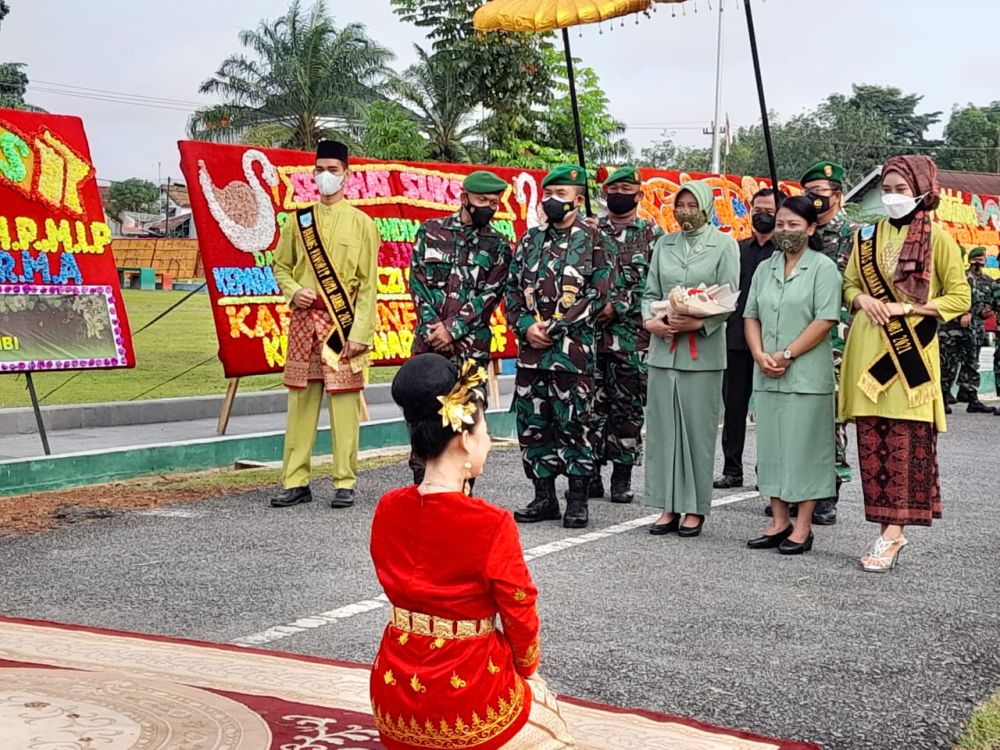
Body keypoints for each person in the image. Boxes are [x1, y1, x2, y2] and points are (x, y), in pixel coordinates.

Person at [370, 354, 572, 750]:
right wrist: (527, 670)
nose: (487, 442)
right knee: (555, 728)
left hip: (393, 702)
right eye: (483, 431)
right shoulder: (489, 523)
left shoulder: (389, 507)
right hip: (466, 700)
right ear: (463, 438)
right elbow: (519, 611)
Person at [839, 155, 970, 573]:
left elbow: (960, 298)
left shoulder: (940, 240)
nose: (892, 197)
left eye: (900, 189)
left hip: (910, 361)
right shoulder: (864, 237)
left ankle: (893, 534)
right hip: (866, 355)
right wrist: (862, 299)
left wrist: (907, 308)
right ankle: (883, 527)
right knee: (873, 448)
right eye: (888, 190)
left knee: (904, 446)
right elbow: (850, 285)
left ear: (921, 191)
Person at [270, 140, 379, 510]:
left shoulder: (363, 224)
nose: (325, 176)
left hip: (341, 324)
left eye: (333, 169)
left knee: (344, 402)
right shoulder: (297, 221)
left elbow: (368, 284)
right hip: (304, 322)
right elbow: (281, 265)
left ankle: (345, 481)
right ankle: (295, 480)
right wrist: (292, 290)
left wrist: (360, 333)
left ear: (346, 175)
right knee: (301, 401)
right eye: (320, 169)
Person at [506, 164, 613, 530]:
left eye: (561, 196)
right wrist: (525, 326)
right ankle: (544, 496)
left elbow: (598, 296)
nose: (552, 201)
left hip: (573, 355)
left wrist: (556, 327)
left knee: (576, 426)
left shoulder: (596, 240)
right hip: (532, 356)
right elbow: (512, 292)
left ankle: (578, 499)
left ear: (578, 200)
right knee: (534, 425)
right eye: (548, 195)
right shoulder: (529, 241)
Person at [743, 196, 842, 555]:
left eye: (794, 225)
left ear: (811, 228)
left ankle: (803, 527)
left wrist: (786, 354)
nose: (785, 231)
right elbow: (750, 314)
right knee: (772, 449)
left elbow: (825, 318)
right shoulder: (765, 268)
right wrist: (759, 354)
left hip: (806, 375)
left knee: (805, 450)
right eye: (781, 224)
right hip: (767, 371)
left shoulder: (823, 267)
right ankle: (778, 521)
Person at [642, 180, 739, 537]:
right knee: (663, 431)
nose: (684, 210)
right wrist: (651, 320)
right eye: (679, 204)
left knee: (697, 432)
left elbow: (729, 298)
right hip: (663, 350)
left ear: (705, 206)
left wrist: (698, 320)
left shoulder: (724, 245)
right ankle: (667, 504)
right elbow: (649, 291)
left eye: (691, 204)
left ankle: (695, 508)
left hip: (702, 353)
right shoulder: (663, 244)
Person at [408, 170, 515, 483]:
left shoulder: (498, 246)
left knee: (465, 423)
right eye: (482, 200)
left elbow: (489, 296)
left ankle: (463, 491)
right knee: (424, 420)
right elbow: (417, 284)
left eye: (494, 203)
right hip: (429, 349)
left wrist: (452, 330)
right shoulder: (430, 231)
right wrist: (435, 328)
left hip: (470, 353)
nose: (488, 207)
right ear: (464, 198)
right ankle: (422, 488)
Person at [589, 165, 663, 503]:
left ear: (639, 193)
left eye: (626, 188)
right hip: (589, 336)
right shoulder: (589, 230)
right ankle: (589, 473)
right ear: (605, 193)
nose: (619, 194)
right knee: (590, 406)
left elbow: (655, 282)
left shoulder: (653, 236)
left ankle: (622, 475)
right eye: (613, 188)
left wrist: (616, 306)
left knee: (627, 409)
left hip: (632, 338)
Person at [797, 160, 857, 526]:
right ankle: (795, 486)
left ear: (837, 196)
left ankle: (827, 490)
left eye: (820, 193)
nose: (814, 199)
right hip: (794, 332)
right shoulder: (798, 230)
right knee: (795, 413)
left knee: (829, 415)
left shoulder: (855, 235)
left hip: (835, 338)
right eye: (809, 193)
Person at [715, 187, 777, 490]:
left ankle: (766, 471)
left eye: (770, 210)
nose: (763, 215)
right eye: (758, 209)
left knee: (768, 411)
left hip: (773, 343)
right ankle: (732, 469)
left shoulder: (784, 253)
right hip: (735, 339)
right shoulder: (737, 249)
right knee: (734, 407)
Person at [940, 247, 995, 414]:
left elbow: (989, 303)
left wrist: (987, 311)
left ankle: (972, 397)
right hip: (953, 328)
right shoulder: (960, 278)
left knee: (971, 363)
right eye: (976, 258)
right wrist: (964, 312)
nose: (979, 262)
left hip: (975, 330)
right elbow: (950, 297)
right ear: (970, 260)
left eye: (982, 258)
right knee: (948, 363)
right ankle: (943, 398)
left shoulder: (988, 281)